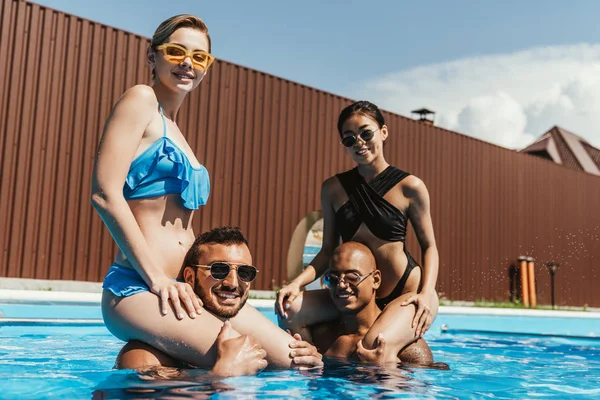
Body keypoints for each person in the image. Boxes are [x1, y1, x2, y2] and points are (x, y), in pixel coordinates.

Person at [91, 14, 317, 368]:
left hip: (190, 289)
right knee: (242, 361)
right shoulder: (141, 100)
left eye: (199, 57)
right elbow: (104, 194)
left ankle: (158, 360)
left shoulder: (176, 129)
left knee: (299, 361)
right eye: (177, 51)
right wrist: (159, 280)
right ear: (152, 56)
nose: (188, 63)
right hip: (143, 288)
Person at [276, 100, 440, 361]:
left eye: (366, 133)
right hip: (353, 291)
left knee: (375, 346)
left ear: (383, 132)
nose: (359, 143)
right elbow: (327, 250)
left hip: (406, 292)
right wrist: (296, 283)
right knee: (290, 310)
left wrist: (425, 294)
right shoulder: (333, 189)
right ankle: (312, 365)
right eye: (349, 139)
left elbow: (429, 246)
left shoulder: (410, 187)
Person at [115, 226, 322, 376]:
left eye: (245, 273)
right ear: (189, 278)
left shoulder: (241, 333)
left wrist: (312, 359)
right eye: (219, 270)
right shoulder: (143, 357)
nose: (232, 283)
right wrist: (222, 374)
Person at [307, 242, 434, 365]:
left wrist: (387, 371)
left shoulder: (406, 346)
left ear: (376, 280)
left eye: (352, 277)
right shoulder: (320, 337)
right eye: (332, 279)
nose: (341, 285)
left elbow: (430, 379)